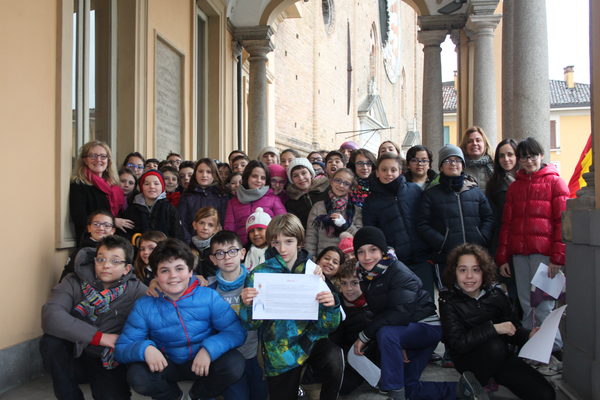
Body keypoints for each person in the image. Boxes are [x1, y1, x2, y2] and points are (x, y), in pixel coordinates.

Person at [115, 238, 247, 400]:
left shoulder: (209, 297)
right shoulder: (144, 305)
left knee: (234, 364)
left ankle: (197, 395)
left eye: (179, 268)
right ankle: (173, 396)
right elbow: (122, 348)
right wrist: (145, 349)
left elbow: (236, 332)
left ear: (190, 271)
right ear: (155, 275)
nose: (173, 276)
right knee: (138, 375)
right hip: (167, 362)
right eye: (164, 270)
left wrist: (209, 350)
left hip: (202, 362)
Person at [240, 214, 343, 400]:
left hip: (310, 340)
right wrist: (247, 305)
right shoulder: (259, 274)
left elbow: (328, 326)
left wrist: (331, 306)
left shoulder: (312, 270)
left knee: (334, 358)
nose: (282, 248)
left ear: (299, 242)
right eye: (276, 242)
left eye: (288, 241)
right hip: (280, 350)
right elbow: (251, 325)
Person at [351, 227, 457, 400]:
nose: (367, 257)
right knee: (409, 387)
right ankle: (461, 390)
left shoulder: (397, 271)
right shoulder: (367, 275)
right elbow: (382, 313)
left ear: (383, 251)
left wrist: (365, 336)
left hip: (426, 327)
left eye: (373, 250)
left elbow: (400, 313)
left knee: (385, 333)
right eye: (361, 252)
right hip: (404, 331)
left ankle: (395, 393)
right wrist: (399, 343)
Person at [439, 243, 556, 400]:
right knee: (495, 345)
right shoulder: (448, 300)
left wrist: (528, 336)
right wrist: (494, 329)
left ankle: (492, 380)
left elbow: (512, 330)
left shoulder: (497, 295)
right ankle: (476, 384)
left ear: (484, 272)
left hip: (501, 358)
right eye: (462, 270)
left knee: (546, 395)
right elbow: (457, 343)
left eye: (476, 270)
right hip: (470, 362)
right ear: (454, 272)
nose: (469, 276)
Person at [41, 236, 147, 400]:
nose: (106, 265)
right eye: (101, 259)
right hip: (76, 353)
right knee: (51, 342)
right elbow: (51, 315)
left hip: (107, 358)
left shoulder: (137, 291)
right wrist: (98, 337)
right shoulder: (73, 281)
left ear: (126, 268)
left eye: (115, 261)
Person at [496, 137, 568, 350]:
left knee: (544, 304)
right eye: (524, 157)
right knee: (527, 304)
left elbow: (562, 224)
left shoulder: (556, 182)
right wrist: (502, 258)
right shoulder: (515, 187)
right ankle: (532, 349)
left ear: (541, 155)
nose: (529, 161)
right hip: (520, 255)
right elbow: (507, 224)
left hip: (544, 255)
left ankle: (550, 350)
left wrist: (557, 258)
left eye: (533, 156)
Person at [417, 144, 494, 288]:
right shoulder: (431, 194)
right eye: (448, 160)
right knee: (450, 299)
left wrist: (482, 237)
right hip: (446, 258)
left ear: (463, 165)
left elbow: (488, 217)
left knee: (476, 296)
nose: (453, 164)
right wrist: (443, 242)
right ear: (440, 167)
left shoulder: (475, 191)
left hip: (475, 256)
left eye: (457, 160)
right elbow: (422, 224)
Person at [208, 231, 269, 400]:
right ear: (213, 259)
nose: (227, 257)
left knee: (260, 395)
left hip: (255, 355)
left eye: (232, 251)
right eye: (220, 253)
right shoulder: (208, 288)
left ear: (242, 253)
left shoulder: (257, 282)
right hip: (228, 358)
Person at [362, 153, 433, 299]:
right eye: (384, 169)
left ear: (400, 171)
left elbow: (426, 219)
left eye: (393, 170)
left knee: (426, 302)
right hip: (396, 263)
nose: (389, 174)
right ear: (377, 172)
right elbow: (374, 233)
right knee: (404, 303)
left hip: (422, 258)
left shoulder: (414, 190)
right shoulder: (371, 201)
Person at [70, 141, 133, 246]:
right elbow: (79, 217)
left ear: (108, 160)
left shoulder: (113, 187)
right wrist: (113, 222)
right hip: (91, 243)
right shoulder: (79, 185)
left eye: (103, 156)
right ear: (85, 160)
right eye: (93, 156)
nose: (98, 160)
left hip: (112, 242)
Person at [224, 160, 286, 245]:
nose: (259, 180)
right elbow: (229, 229)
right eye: (254, 176)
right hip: (242, 250)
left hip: (269, 249)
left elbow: (284, 224)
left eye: (263, 178)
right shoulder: (233, 202)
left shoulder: (273, 199)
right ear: (247, 177)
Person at [305, 168, 363, 257]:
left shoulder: (356, 210)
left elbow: (360, 237)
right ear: (331, 182)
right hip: (323, 258)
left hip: (347, 258)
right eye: (338, 180)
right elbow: (311, 237)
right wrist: (309, 259)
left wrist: (345, 225)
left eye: (346, 183)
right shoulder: (318, 207)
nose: (341, 185)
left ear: (350, 188)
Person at [119, 169, 185, 241]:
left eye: (156, 183)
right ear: (142, 187)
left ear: (162, 187)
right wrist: (136, 240)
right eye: (147, 184)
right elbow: (125, 234)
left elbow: (178, 235)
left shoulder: (170, 209)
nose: (152, 186)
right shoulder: (132, 209)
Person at [178, 158, 229, 239]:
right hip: (191, 243)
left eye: (208, 172)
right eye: (200, 171)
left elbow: (224, 222)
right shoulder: (187, 196)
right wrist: (189, 245)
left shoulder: (222, 195)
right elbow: (183, 223)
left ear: (214, 174)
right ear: (195, 174)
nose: (204, 175)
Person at [60, 210, 117, 282]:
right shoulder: (79, 252)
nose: (101, 228)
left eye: (106, 225)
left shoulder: (118, 251)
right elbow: (66, 279)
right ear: (89, 228)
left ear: (113, 231)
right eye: (96, 224)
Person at [285, 158, 329, 228]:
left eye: (304, 173)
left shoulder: (326, 189)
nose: (301, 178)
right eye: (295, 176)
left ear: (311, 174)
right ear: (292, 180)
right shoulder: (291, 202)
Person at [189, 206, 221, 278]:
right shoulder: (188, 248)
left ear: (216, 229)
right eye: (201, 223)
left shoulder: (218, 249)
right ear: (194, 225)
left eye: (210, 225)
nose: (205, 227)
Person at [459, 126, 494, 191]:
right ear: (465, 145)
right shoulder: (459, 167)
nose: (474, 143)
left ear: (485, 144)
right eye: (470, 141)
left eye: (478, 140)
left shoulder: (494, 166)